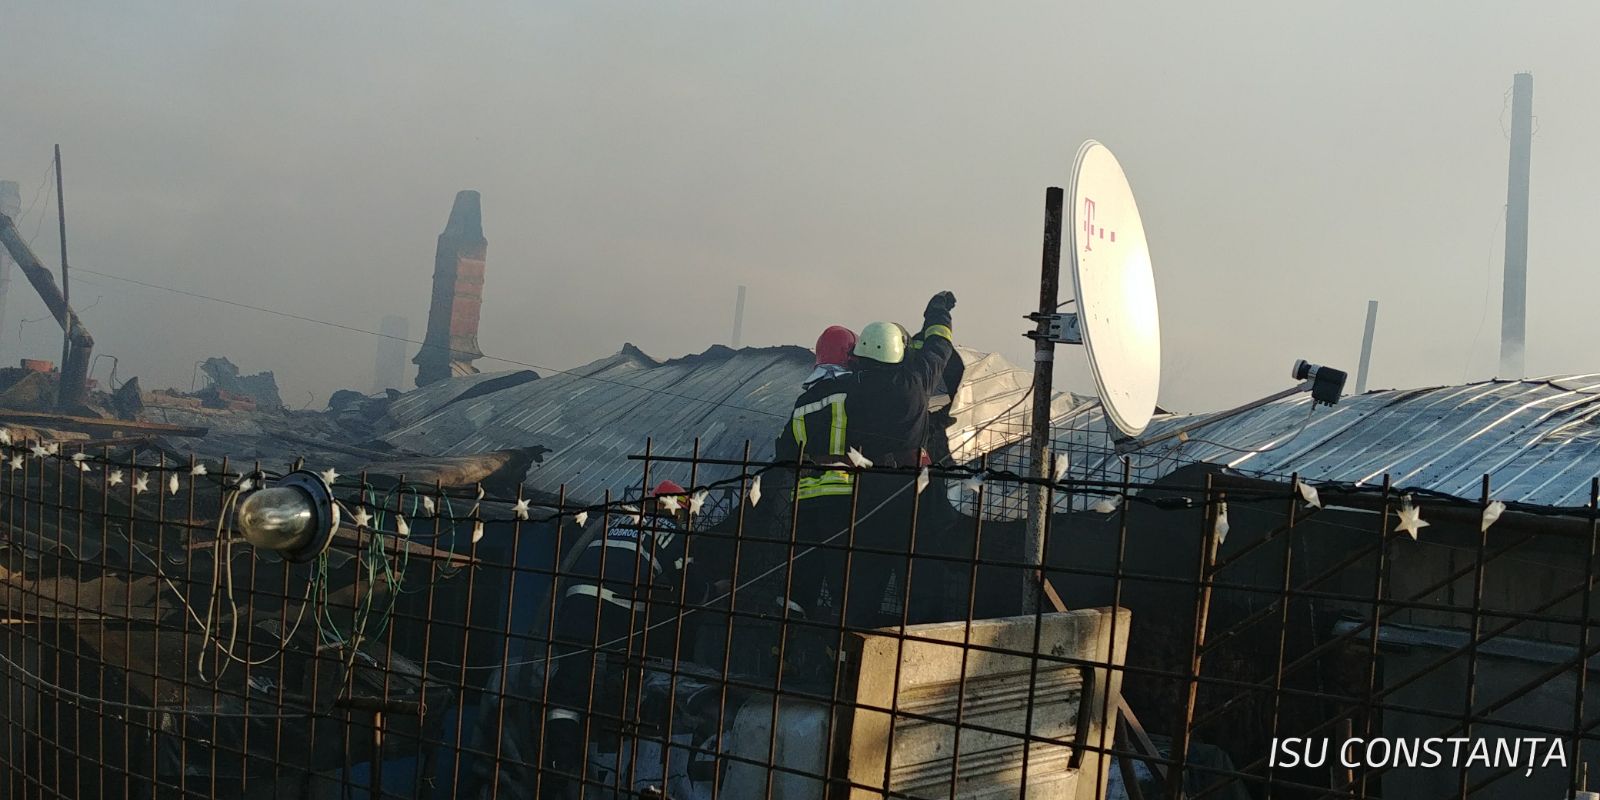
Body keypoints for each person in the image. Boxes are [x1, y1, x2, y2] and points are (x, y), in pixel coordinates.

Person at [782, 292, 958, 640]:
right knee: (919, 580)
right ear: (900, 353)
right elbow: (939, 347)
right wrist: (937, 313)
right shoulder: (916, 380)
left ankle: (852, 649)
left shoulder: (848, 389)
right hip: (914, 494)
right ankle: (918, 644)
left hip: (866, 495)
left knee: (862, 587)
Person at [540, 479, 698, 797]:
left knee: (567, 688)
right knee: (619, 680)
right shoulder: (670, 531)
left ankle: (558, 764)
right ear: (676, 510)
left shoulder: (617, 522)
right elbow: (689, 587)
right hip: (614, 610)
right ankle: (606, 754)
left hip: (575, 605)